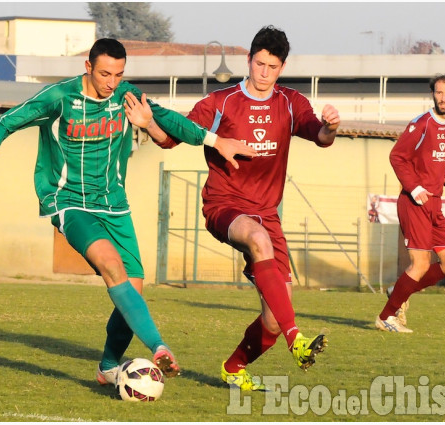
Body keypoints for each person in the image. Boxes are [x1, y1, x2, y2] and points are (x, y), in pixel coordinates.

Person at [0, 38, 256, 386]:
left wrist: (215, 141)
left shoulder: (124, 95)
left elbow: (167, 120)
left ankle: (108, 367)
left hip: (115, 205)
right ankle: (159, 347)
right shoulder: (59, 98)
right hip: (68, 200)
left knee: (133, 288)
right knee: (111, 265)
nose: (111, 82)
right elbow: (7, 121)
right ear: (88, 67)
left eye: (118, 74)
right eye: (104, 74)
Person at [145, 25, 340, 390]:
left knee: (270, 319)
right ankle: (296, 338)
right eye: (259, 63)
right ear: (248, 60)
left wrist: (331, 126)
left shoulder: (291, 103)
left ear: (281, 68)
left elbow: (320, 136)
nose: (264, 73)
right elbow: (173, 136)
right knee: (256, 236)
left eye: (272, 66)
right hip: (225, 205)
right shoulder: (221, 103)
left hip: (267, 214)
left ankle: (234, 368)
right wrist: (148, 125)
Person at [376, 74, 445, 333]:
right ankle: (386, 316)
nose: (443, 98)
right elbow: (398, 157)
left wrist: (444, 178)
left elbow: (435, 158)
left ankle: (399, 291)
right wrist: (415, 188)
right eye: (439, 93)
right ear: (432, 94)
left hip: (435, 204)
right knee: (421, 263)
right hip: (414, 203)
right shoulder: (421, 124)